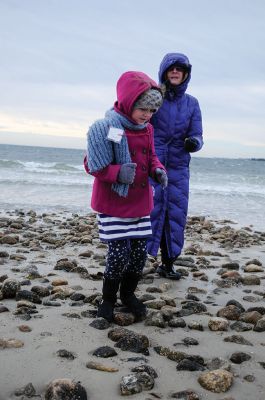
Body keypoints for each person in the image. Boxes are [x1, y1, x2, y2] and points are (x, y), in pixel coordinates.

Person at [84, 71, 167, 322]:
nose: (147, 115)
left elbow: (151, 156)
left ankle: (128, 294)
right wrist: (117, 173)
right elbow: (92, 164)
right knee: (118, 254)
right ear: (129, 101)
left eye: (152, 111)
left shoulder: (148, 129)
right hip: (114, 203)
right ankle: (108, 299)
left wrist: (157, 169)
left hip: (140, 203)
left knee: (140, 253)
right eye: (143, 108)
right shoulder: (107, 128)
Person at [147, 52, 203, 279]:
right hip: (152, 162)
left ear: (186, 74)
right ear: (164, 72)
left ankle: (168, 263)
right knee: (148, 212)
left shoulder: (192, 103)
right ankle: (138, 261)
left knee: (175, 215)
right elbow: (140, 122)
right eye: (172, 69)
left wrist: (193, 143)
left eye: (180, 69)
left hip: (179, 166)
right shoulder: (153, 97)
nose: (176, 72)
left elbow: (197, 135)